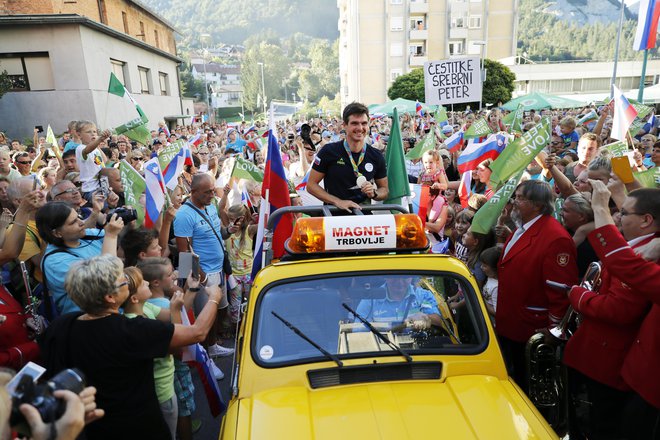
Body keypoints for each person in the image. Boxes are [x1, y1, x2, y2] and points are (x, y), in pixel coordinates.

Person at [40, 255, 223, 440]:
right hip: (138, 425)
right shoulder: (132, 330)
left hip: (95, 427)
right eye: (123, 281)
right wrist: (214, 298)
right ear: (110, 297)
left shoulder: (62, 325)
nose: (129, 282)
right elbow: (197, 332)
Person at [495, 180, 578, 387]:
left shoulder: (555, 238)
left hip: (531, 328)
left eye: (521, 198)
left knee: (530, 385)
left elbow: (560, 288)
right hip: (513, 321)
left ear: (537, 204)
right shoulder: (522, 228)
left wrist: (553, 328)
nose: (514, 202)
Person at [174, 173, 234, 359]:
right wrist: (201, 278)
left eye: (212, 191)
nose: (212, 195)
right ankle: (206, 359)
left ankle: (213, 346)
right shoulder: (184, 215)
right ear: (193, 192)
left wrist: (229, 231)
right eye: (207, 192)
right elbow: (185, 255)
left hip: (219, 269)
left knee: (220, 309)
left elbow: (218, 233)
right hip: (204, 274)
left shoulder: (211, 206)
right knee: (204, 317)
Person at [36, 202, 123, 315]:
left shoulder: (85, 236)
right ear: (57, 233)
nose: (82, 222)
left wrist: (125, 223)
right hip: (91, 321)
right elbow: (107, 282)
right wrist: (111, 236)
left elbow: (119, 240)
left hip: (114, 310)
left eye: (78, 216)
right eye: (73, 222)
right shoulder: (55, 262)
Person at [307, 102, 389, 211]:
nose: (360, 128)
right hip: (334, 217)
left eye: (364, 123)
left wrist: (374, 193)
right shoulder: (328, 151)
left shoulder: (376, 155)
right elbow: (311, 185)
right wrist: (337, 202)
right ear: (344, 125)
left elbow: (384, 190)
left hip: (363, 219)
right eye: (354, 123)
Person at [355, 276, 442, 331]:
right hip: (382, 352)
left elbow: (438, 320)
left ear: (411, 277)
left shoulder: (423, 295)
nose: (399, 282)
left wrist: (426, 317)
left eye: (404, 277)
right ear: (386, 277)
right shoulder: (371, 300)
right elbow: (357, 330)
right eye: (394, 277)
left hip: (418, 350)